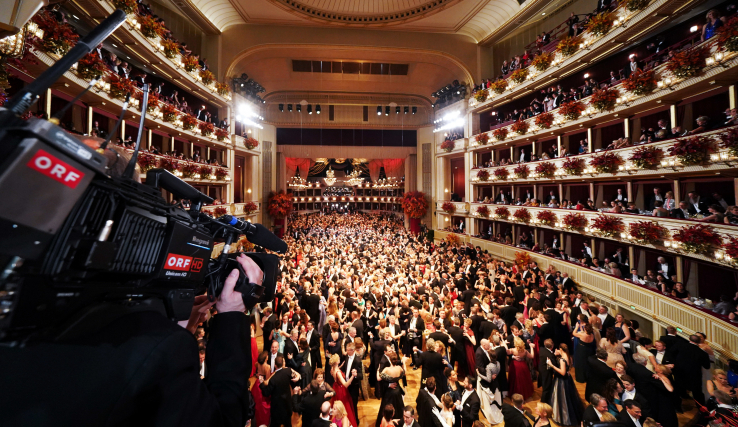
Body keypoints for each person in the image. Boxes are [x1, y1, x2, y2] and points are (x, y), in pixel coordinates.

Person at [548, 343, 584, 425]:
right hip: (568, 380)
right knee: (570, 399)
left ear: (561, 349)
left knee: (563, 400)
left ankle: (564, 418)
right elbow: (568, 370)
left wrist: (552, 365)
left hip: (562, 381)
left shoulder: (562, 359)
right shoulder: (569, 357)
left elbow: (563, 372)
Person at [375, 354, 406, 427]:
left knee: (387, 407)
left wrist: (378, 369)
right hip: (397, 390)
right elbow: (404, 372)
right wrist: (404, 362)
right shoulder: (399, 368)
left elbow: (378, 378)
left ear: (390, 361)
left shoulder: (387, 369)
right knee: (398, 407)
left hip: (389, 392)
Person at [328, 353, 359, 427]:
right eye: (338, 358)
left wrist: (341, 365)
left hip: (336, 388)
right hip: (341, 390)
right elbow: (345, 384)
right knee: (345, 407)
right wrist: (352, 376)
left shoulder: (332, 369)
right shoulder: (338, 372)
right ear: (336, 362)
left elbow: (336, 369)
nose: (339, 359)